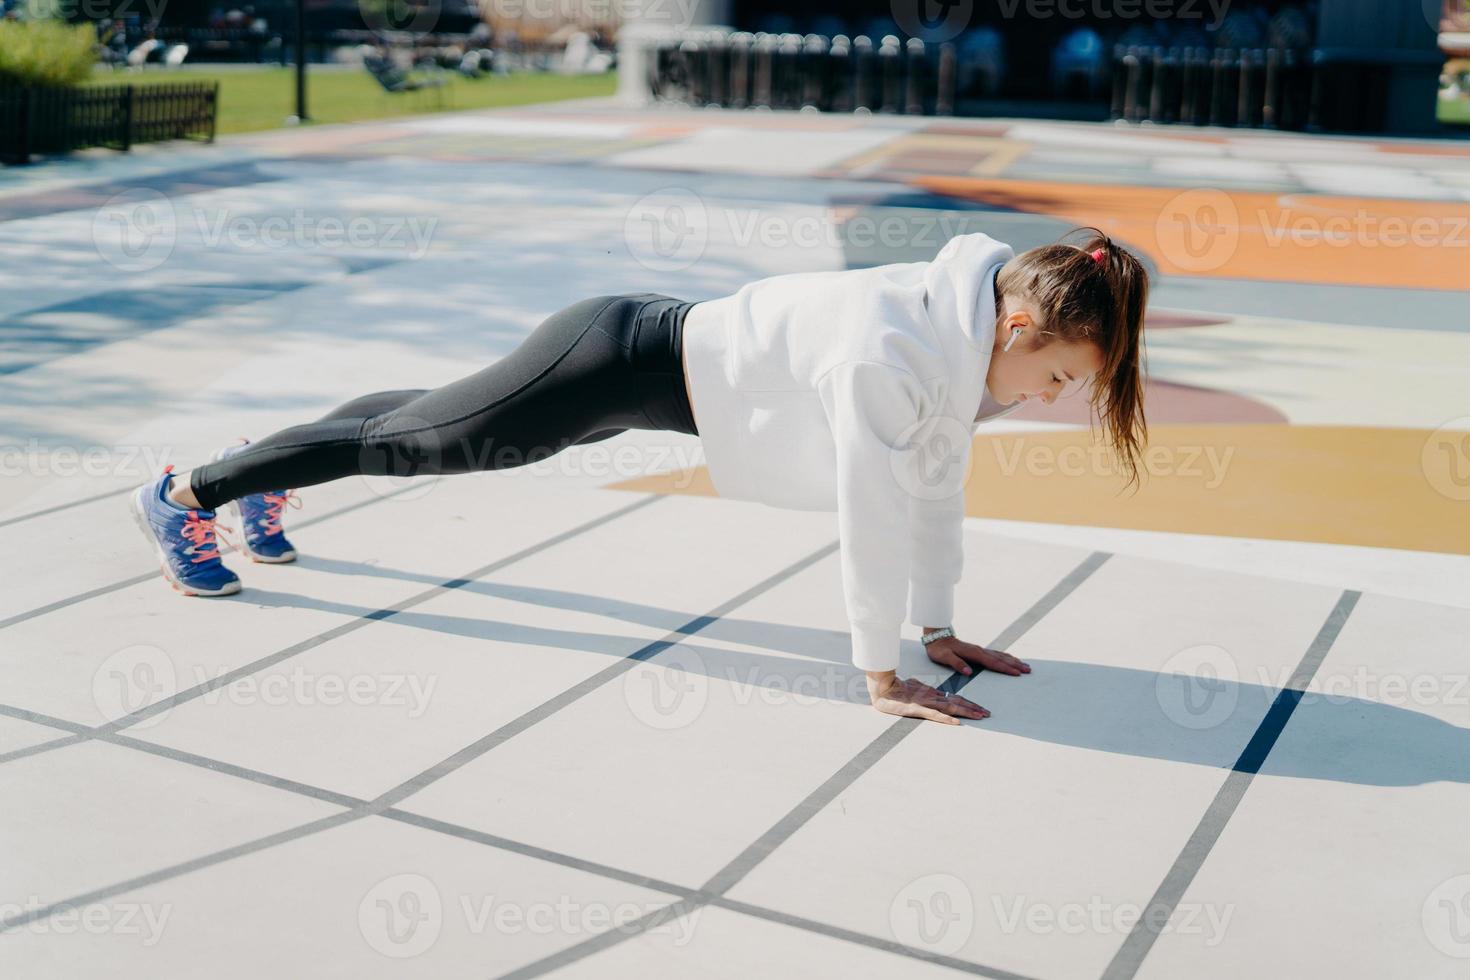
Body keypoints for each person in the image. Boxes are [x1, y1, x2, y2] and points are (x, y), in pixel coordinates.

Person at [130, 226, 1149, 726]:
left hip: (637, 364)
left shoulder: (951, 339)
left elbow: (933, 480)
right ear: (1014, 324)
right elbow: (875, 505)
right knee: (421, 441)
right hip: (611, 358)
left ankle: (268, 472)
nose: (1051, 395)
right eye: (1058, 373)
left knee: (420, 426)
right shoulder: (890, 349)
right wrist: (882, 673)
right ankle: (184, 495)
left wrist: (935, 626)